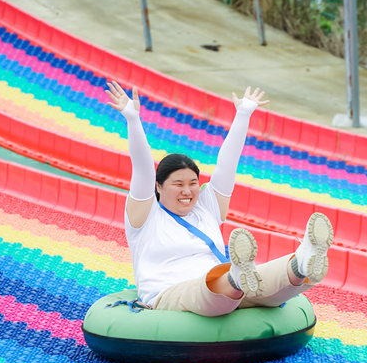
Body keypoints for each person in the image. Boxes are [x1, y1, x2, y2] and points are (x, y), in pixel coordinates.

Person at [106, 81, 334, 316]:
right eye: (178, 184)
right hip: (170, 294)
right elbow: (142, 169)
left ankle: (303, 262)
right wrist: (133, 119)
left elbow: (227, 165)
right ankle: (237, 278)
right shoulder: (144, 217)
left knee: (266, 281)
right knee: (210, 287)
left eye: (193, 183)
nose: (188, 191)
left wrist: (243, 114)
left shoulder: (206, 208)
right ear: (158, 186)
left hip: (227, 288)